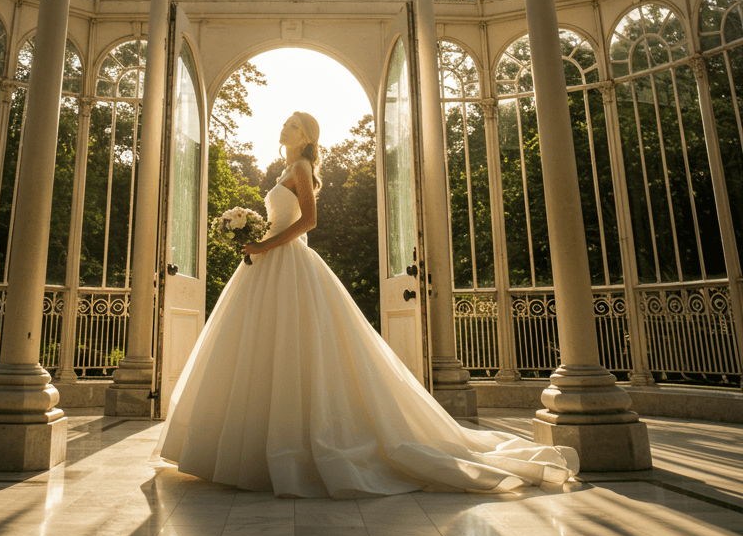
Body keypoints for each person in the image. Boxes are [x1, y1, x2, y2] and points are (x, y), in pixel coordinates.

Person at [158, 110, 578, 498]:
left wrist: (265, 242)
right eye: (285, 124)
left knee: (293, 345)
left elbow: (309, 221)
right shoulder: (287, 169)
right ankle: (249, 448)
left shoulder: (302, 167)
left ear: (305, 138)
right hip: (268, 261)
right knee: (260, 346)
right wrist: (253, 237)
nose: (284, 129)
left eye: (292, 125)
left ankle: (291, 448)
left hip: (287, 260)